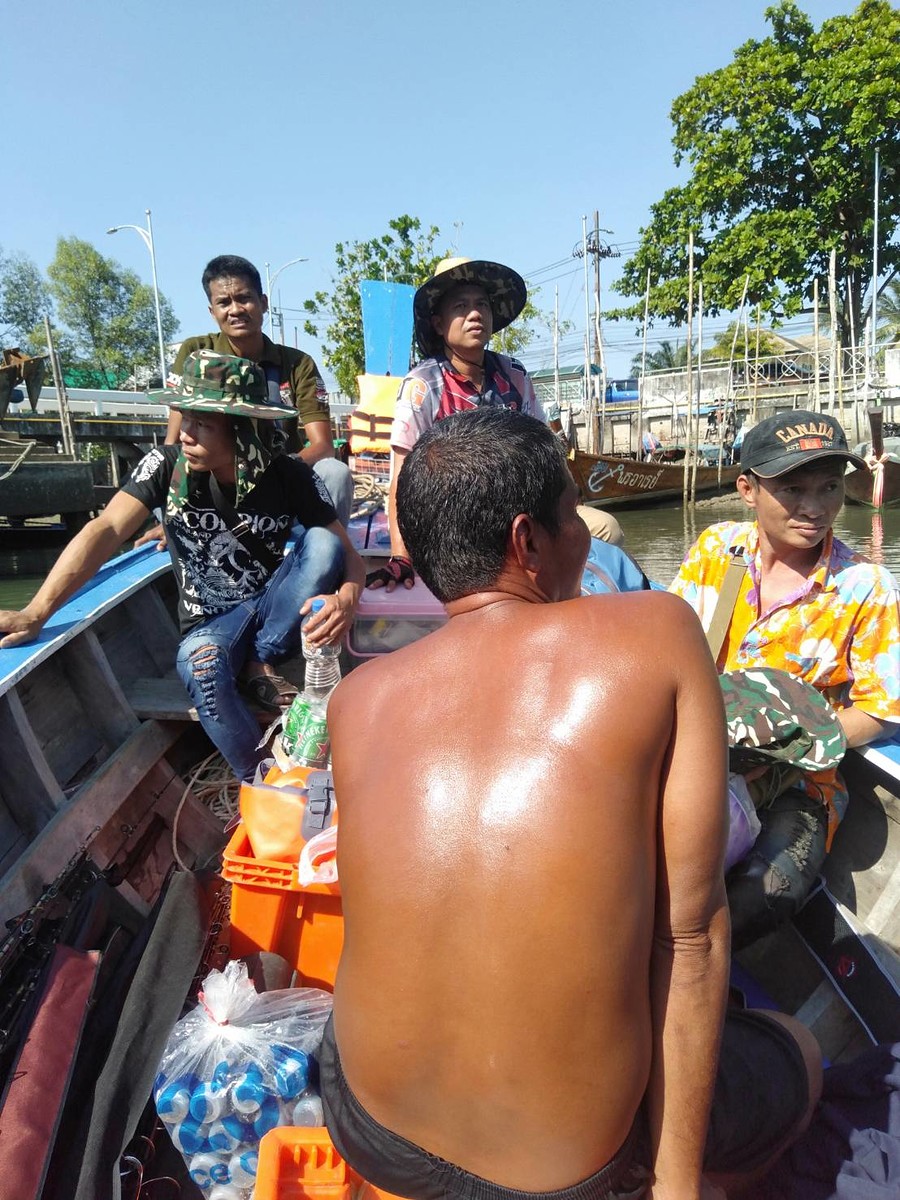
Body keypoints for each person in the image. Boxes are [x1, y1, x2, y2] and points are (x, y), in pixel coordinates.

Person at [324, 407, 821, 1200]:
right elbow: (689, 944)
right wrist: (674, 1187)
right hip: (562, 1176)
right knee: (795, 1047)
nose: (590, 540)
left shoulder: (356, 700)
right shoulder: (657, 631)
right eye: (574, 517)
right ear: (528, 542)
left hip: (369, 1129)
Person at [0, 352, 365, 783]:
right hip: (210, 622)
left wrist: (347, 598)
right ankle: (266, 782)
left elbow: (349, 556)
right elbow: (107, 527)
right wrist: (37, 611)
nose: (186, 434)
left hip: (271, 613)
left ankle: (258, 661)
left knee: (322, 542)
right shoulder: (166, 466)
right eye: (185, 418)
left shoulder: (287, 474)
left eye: (203, 424)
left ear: (242, 428)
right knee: (202, 667)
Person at [671, 409, 900, 947]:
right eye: (793, 488)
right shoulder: (716, 551)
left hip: (801, 783)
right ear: (747, 489)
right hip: (699, 755)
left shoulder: (865, 586)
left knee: (763, 895)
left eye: (829, 487)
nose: (815, 508)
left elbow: (882, 709)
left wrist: (792, 741)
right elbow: (671, 653)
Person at [367, 257, 549, 590]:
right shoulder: (422, 386)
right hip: (452, 528)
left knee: (606, 530)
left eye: (482, 305)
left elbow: (545, 450)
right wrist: (400, 557)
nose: (475, 314)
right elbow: (400, 479)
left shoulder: (515, 376)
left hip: (517, 523)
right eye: (461, 307)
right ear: (439, 324)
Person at [162, 254, 353, 525]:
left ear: (263, 303)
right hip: (217, 486)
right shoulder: (196, 353)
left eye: (244, 298)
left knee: (335, 472)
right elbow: (176, 441)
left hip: (283, 479)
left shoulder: (297, 364)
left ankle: (329, 550)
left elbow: (322, 446)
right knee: (160, 467)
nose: (235, 309)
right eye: (224, 302)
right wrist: (169, 516)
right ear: (212, 311)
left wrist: (272, 474)